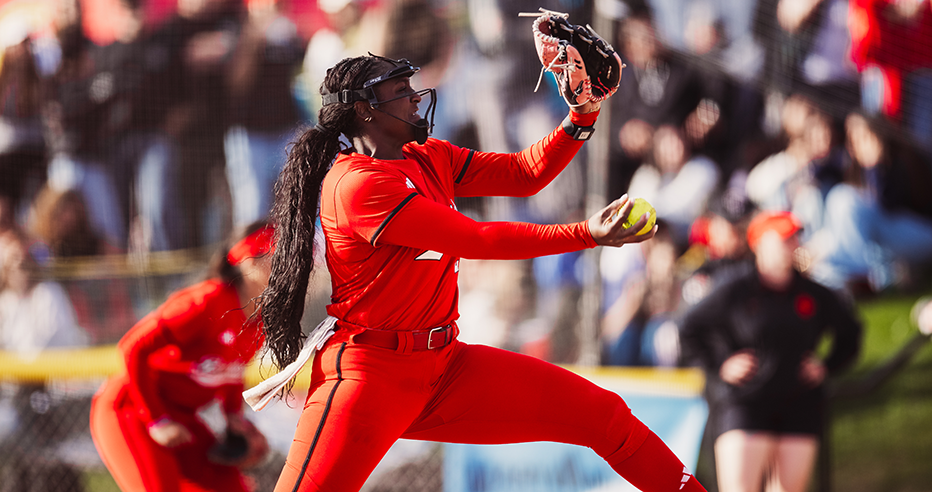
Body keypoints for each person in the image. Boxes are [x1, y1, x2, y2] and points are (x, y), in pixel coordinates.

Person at [251, 53, 708, 492]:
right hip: (370, 378)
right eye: (400, 90)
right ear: (364, 111)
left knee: (604, 416)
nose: (416, 97)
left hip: (444, 366)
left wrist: (581, 116)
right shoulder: (356, 184)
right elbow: (478, 239)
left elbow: (524, 174)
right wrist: (586, 233)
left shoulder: (428, 155)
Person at [679, 211, 862, 492]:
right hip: (746, 403)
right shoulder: (736, 289)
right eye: (784, 237)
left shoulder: (813, 293)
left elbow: (851, 333)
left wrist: (826, 365)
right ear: (759, 242)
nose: (792, 243)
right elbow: (690, 329)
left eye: (794, 237)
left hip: (798, 402)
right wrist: (722, 364)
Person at [89, 222, 274, 492]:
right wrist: (156, 420)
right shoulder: (207, 301)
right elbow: (131, 347)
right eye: (272, 255)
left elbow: (233, 370)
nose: (285, 264)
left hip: (180, 416)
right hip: (131, 407)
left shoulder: (264, 317)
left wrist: (234, 416)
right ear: (245, 262)